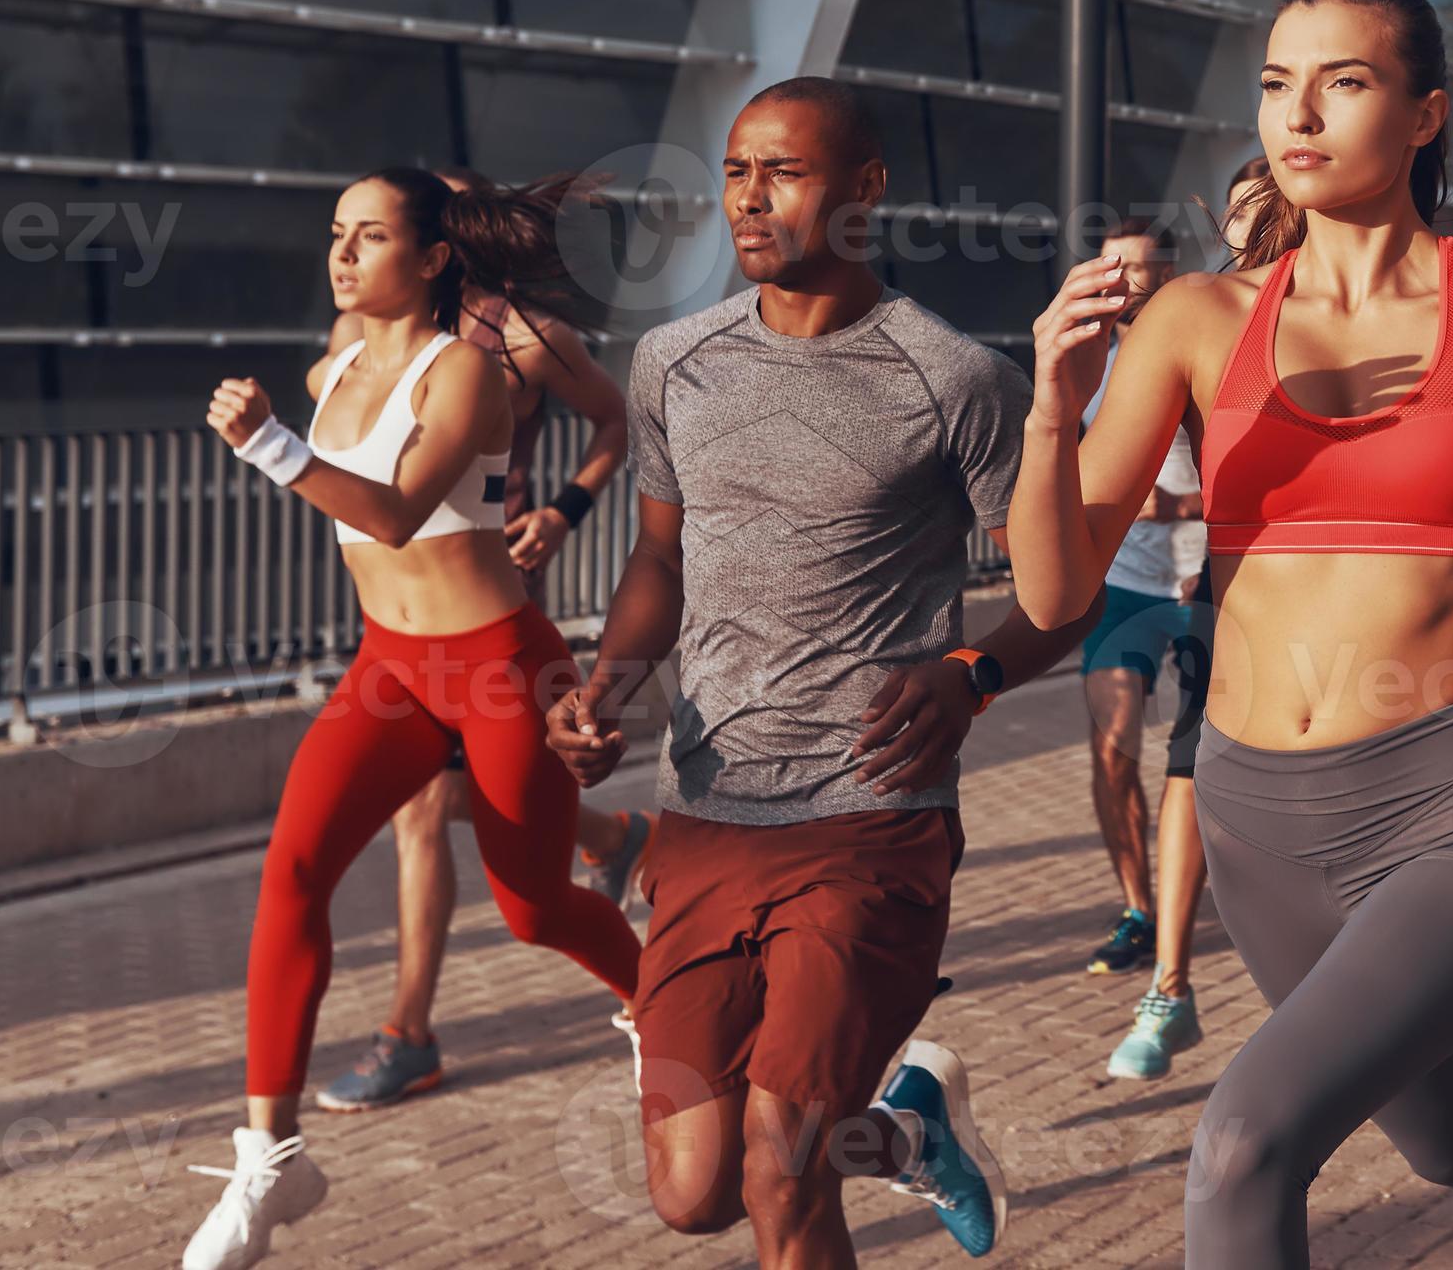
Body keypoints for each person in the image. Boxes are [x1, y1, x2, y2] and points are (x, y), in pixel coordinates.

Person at [1011, 0, 1453, 1270]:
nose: (1298, 113)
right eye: (1277, 84)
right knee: (1441, 1133)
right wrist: (1054, 401)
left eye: (1345, 81)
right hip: (1254, 818)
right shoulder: (1196, 320)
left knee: (1242, 1144)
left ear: (1425, 114)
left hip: (1449, 818)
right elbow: (1054, 591)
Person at [541, 76, 1098, 1266]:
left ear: (865, 189)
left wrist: (972, 673)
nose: (749, 197)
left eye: (781, 171)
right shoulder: (674, 362)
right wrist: (605, 694)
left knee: (782, 1172)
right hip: (706, 818)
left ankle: (860, 1127)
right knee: (694, 1193)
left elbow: (1065, 594)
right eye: (737, 170)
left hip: (871, 820)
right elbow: (656, 554)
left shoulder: (953, 378)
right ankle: (905, 1127)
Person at [185, 170, 645, 1270]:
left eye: (371, 234)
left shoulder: (479, 370)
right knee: (292, 867)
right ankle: (270, 1159)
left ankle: (656, 999)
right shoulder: (334, 357)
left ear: (434, 254)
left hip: (495, 663)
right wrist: (288, 433)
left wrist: (269, 446)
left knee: (532, 906)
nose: (342, 254)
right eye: (335, 234)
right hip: (386, 668)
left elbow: (392, 515)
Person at [314, 166, 647, 1114]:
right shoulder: (367, 335)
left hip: (494, 611)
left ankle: (406, 1036)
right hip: (400, 619)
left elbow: (615, 421)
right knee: (445, 807)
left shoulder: (525, 338)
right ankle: (613, 838)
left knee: (424, 815)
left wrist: (565, 510)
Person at [1107, 154, 1262, 1083]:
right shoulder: (1203, 312)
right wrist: (1059, 383)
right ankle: (1168, 986)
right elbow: (1108, 480)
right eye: (1239, 208)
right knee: (1183, 770)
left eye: (1267, 206)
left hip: (1361, 609)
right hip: (1226, 593)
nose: (1250, 222)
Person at [1076, 215, 1207, 981]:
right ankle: (1137, 909)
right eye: (1107, 266)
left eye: (1133, 267)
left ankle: (1203, 890)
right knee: (1112, 743)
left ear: (1168, 272)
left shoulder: (1204, 345)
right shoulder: (1094, 361)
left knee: (1199, 764)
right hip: (1122, 583)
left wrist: (1183, 512)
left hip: (1202, 580)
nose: (1119, 280)